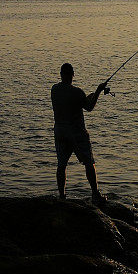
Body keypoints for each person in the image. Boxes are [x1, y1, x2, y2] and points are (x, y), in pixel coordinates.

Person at [51, 62, 108, 203]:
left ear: (61, 74)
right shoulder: (77, 92)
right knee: (89, 163)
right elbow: (89, 107)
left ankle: (62, 196)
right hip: (76, 133)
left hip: (60, 132)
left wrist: (88, 97)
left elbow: (74, 103)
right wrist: (98, 91)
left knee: (61, 165)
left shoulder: (54, 90)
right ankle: (95, 194)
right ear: (72, 75)